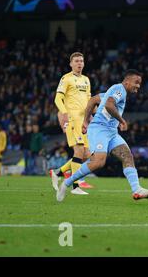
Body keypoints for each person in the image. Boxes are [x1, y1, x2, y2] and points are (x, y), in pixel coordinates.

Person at [56, 70, 148, 202]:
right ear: (127, 81)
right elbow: (109, 105)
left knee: (127, 156)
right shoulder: (119, 89)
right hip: (100, 129)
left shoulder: (115, 91)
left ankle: (137, 190)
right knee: (99, 162)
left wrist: (86, 121)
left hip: (111, 132)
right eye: (136, 82)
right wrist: (121, 120)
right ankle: (66, 183)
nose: (138, 86)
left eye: (140, 83)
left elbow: (93, 100)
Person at [51, 52, 93, 195]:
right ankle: (75, 187)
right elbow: (58, 99)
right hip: (73, 119)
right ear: (71, 64)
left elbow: (89, 100)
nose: (79, 63)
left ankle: (58, 173)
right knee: (79, 151)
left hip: (84, 121)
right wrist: (64, 113)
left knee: (87, 154)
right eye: (76, 61)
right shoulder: (66, 78)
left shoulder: (86, 80)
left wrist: (91, 115)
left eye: (81, 61)